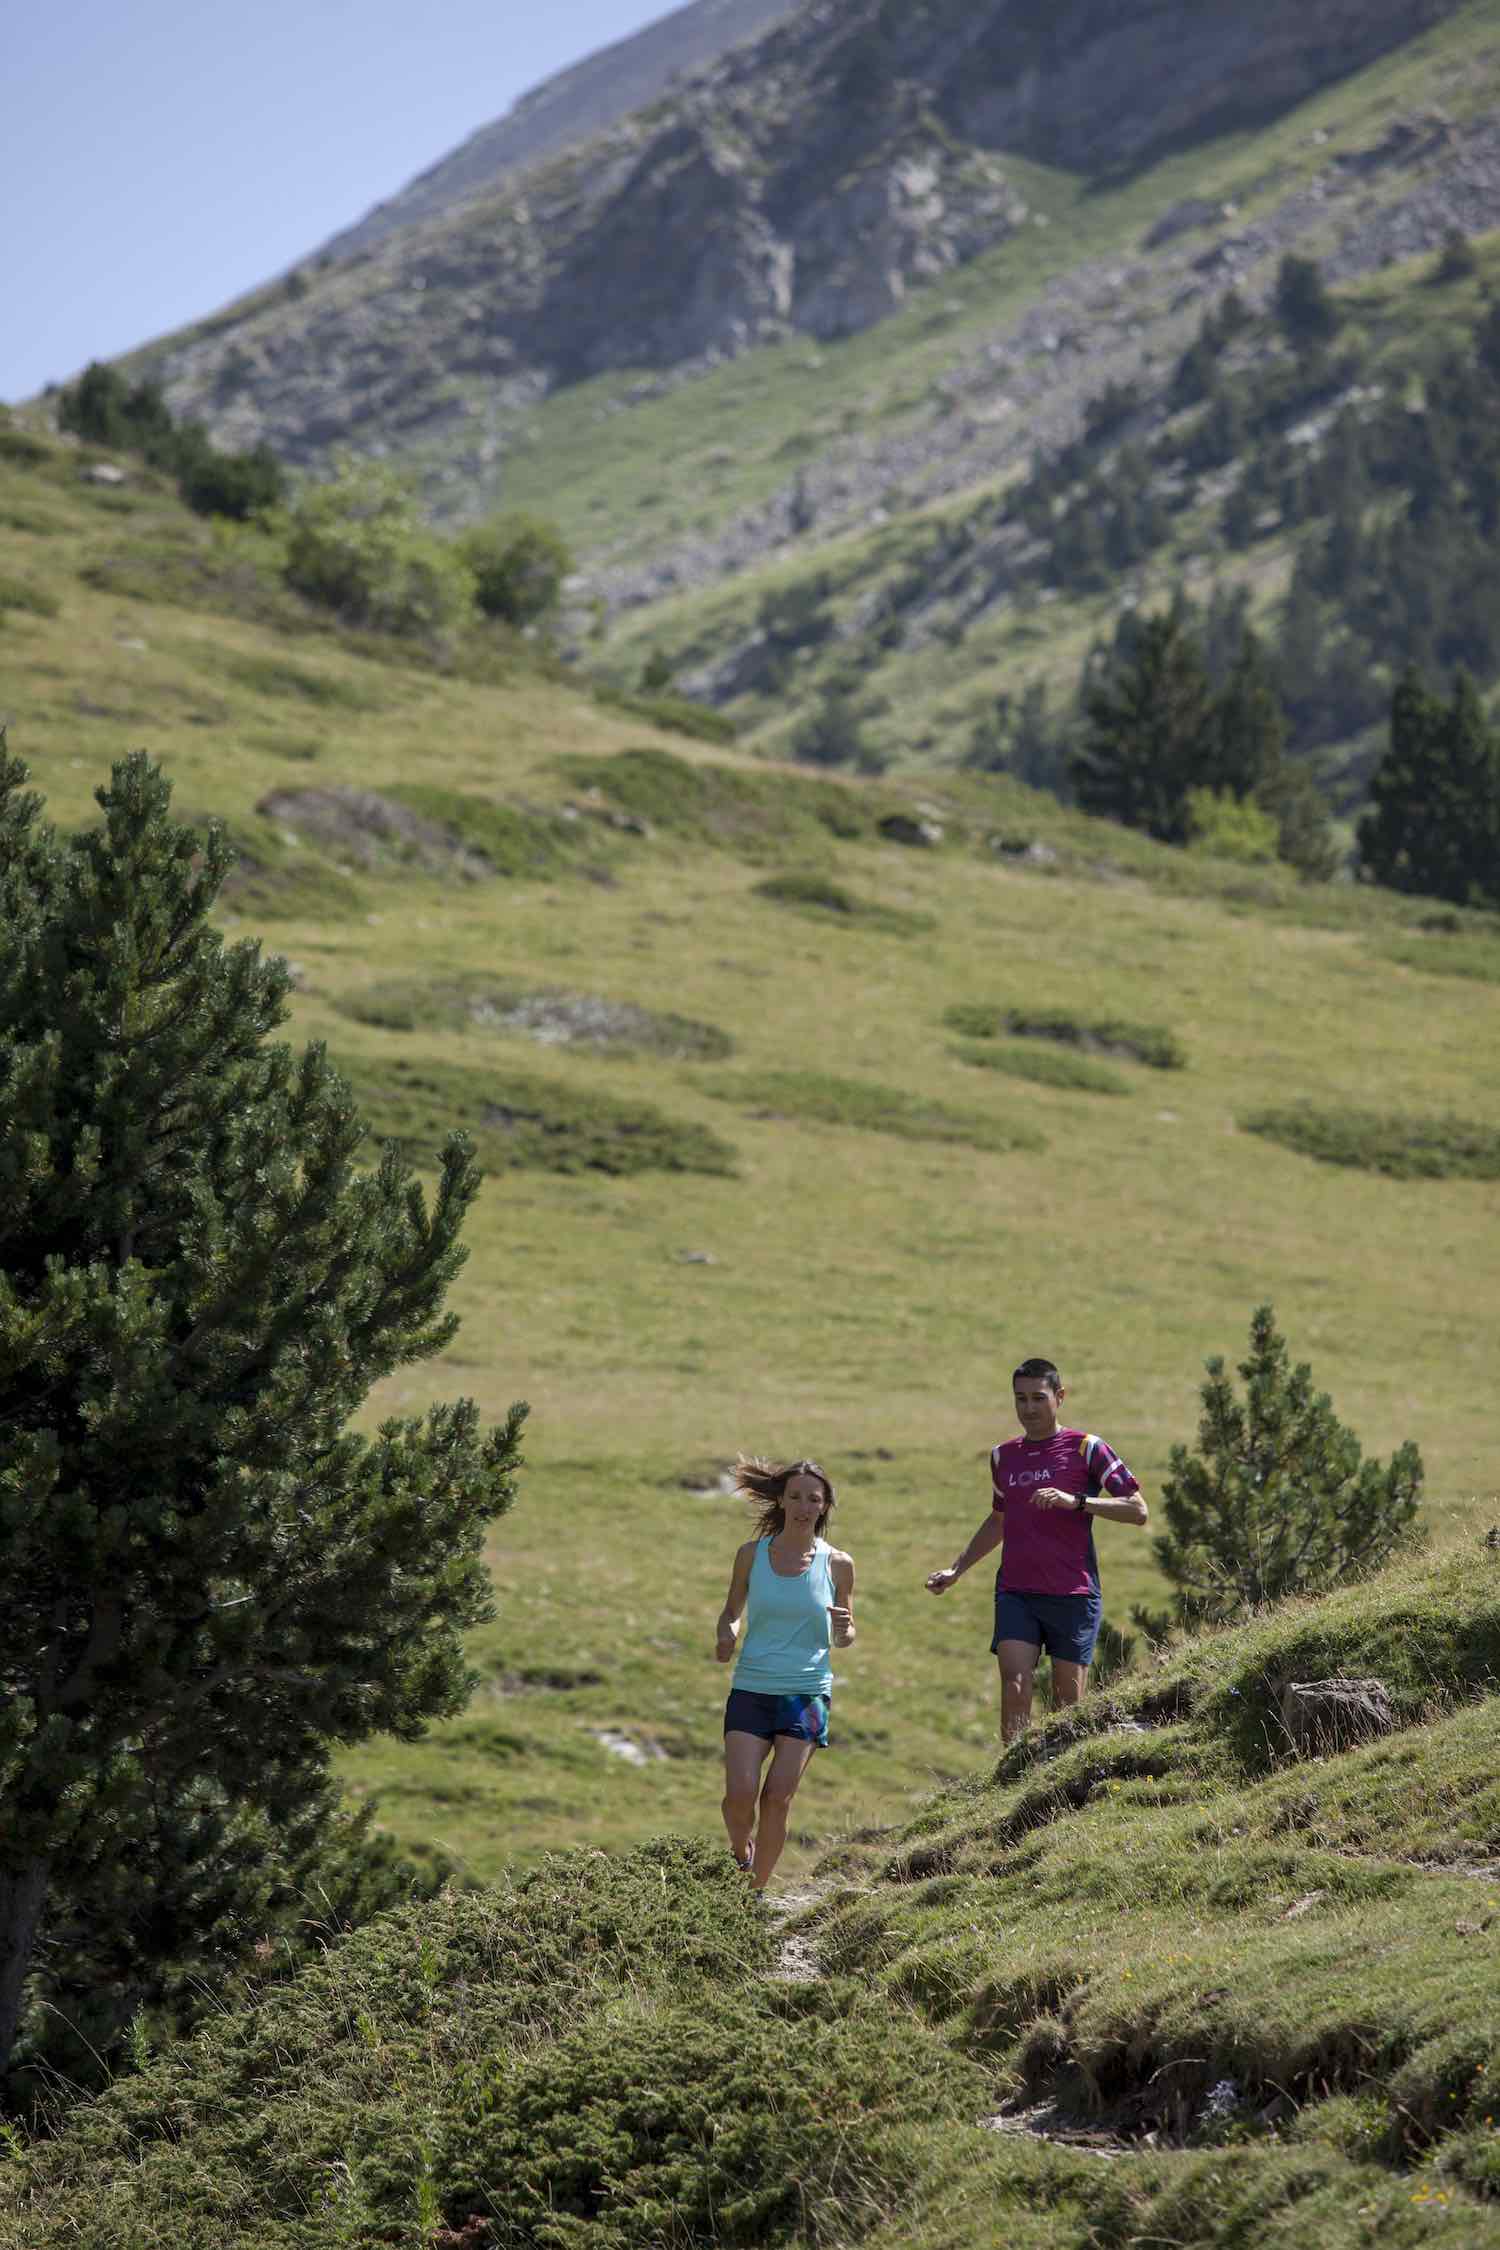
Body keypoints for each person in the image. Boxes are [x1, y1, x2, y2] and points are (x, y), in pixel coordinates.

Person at [925, 1357, 1147, 1743]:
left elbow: (1137, 1510)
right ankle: (1011, 1778)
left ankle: (1062, 1786)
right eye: (1020, 1399)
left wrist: (1076, 1501)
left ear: (1059, 1397)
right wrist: (956, 1570)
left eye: (1038, 1399)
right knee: (1014, 1682)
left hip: (1073, 1593)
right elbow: (998, 1521)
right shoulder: (1003, 1457)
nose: (1028, 1409)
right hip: (1016, 1590)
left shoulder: (1086, 1448)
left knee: (1067, 1705)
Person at [716, 1457, 855, 1890]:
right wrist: (727, 1634)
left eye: (814, 1499)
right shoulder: (750, 1556)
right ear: (780, 1500)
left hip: (807, 1693)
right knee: (740, 1796)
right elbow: (731, 1613)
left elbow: (847, 1633)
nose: (803, 1505)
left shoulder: (837, 1564)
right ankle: (742, 1854)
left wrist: (843, 1628)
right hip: (752, 1687)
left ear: (824, 1506)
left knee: (777, 1797)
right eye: (795, 1496)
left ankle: (754, 1895)